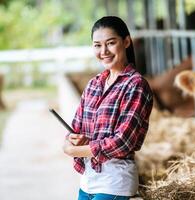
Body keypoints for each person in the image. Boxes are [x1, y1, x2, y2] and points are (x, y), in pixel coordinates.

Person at [62, 16, 153, 200]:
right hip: (88, 180)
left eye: (111, 43)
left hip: (115, 183)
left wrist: (74, 151)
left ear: (126, 41)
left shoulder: (136, 85)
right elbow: (76, 126)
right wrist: (70, 140)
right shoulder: (94, 84)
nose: (104, 51)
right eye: (97, 45)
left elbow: (123, 141)